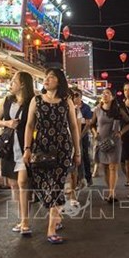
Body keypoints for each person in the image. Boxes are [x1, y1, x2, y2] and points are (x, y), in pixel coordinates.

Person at [23, 68, 81, 244]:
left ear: (59, 81)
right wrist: (27, 148)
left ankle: (51, 229)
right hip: (40, 147)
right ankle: (56, 215)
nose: (47, 79)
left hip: (62, 148)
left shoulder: (66, 101)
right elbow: (29, 125)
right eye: (45, 77)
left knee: (56, 184)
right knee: (41, 183)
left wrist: (77, 151)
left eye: (51, 77)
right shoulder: (37, 100)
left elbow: (73, 127)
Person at [0, 71, 34, 235]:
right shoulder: (7, 100)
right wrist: (6, 122)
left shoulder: (31, 102)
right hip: (8, 148)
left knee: (23, 182)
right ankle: (21, 217)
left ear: (22, 84)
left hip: (25, 147)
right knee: (13, 184)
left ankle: (25, 221)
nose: (11, 83)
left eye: (14, 80)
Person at [89, 88, 122, 202]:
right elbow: (92, 124)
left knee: (113, 167)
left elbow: (127, 123)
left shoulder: (117, 110)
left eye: (108, 93)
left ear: (112, 97)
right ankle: (110, 190)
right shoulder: (97, 110)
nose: (105, 95)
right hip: (101, 142)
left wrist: (120, 133)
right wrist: (94, 133)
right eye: (103, 93)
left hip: (114, 142)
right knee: (105, 167)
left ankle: (112, 193)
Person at [72, 90, 94, 187]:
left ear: (81, 97)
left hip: (83, 134)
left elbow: (88, 123)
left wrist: (80, 136)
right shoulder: (71, 106)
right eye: (74, 97)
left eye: (77, 97)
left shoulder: (86, 108)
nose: (75, 99)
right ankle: (77, 180)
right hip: (73, 134)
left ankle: (88, 178)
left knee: (84, 156)